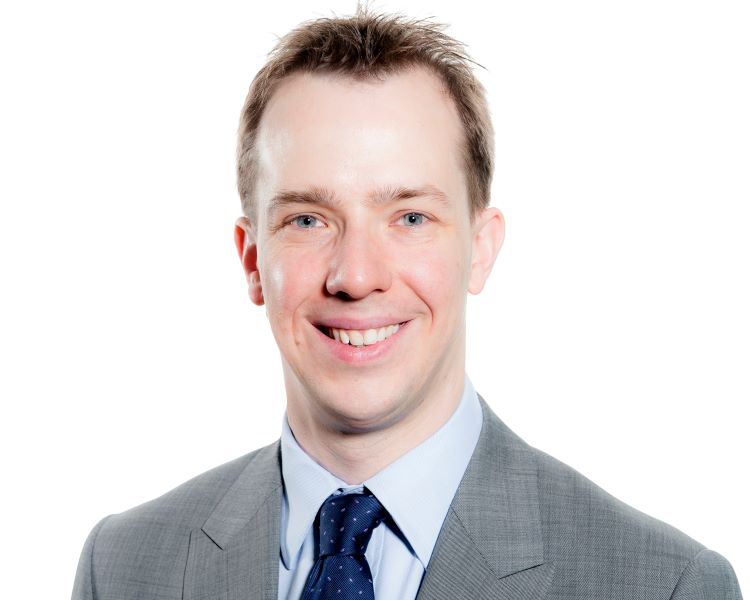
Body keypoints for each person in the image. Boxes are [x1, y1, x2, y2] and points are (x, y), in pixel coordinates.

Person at [72, 8, 742, 600]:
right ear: (253, 261)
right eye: (307, 220)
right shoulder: (123, 567)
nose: (356, 275)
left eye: (410, 217)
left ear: (480, 249)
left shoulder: (666, 585)